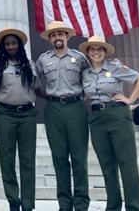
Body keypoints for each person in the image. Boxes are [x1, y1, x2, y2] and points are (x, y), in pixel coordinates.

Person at [80, 35, 139, 211]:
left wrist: (130, 99)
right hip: (96, 118)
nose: (96, 52)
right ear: (88, 52)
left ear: (104, 51)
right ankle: (113, 207)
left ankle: (135, 207)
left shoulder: (115, 67)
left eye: (99, 49)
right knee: (107, 165)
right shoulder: (84, 73)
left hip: (117, 115)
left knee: (127, 163)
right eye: (92, 49)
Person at [0, 27, 38, 211]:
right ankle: (14, 200)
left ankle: (28, 204)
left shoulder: (30, 64)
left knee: (28, 160)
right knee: (7, 160)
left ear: (19, 45)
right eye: (7, 44)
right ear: (3, 47)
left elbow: (38, 89)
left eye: (14, 43)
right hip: (5, 115)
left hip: (28, 115)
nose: (11, 46)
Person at [35, 20, 89, 211]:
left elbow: (92, 78)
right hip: (54, 109)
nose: (57, 37)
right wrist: (46, 95)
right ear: (50, 39)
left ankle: (81, 203)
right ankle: (64, 204)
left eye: (60, 34)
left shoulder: (80, 58)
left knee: (79, 157)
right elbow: (34, 82)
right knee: (59, 157)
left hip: (76, 108)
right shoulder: (43, 60)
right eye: (53, 35)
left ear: (67, 36)